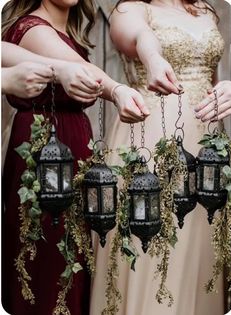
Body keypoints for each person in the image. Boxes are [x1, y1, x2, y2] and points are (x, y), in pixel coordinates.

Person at [1, 1, 150, 315]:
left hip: (74, 150)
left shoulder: (66, 31)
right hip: (43, 154)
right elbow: (82, 70)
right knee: (46, 259)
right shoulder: (32, 28)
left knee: (76, 260)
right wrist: (119, 89)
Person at [90, 1, 230, 315]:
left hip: (208, 143)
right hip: (153, 138)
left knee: (202, 244)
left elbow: (214, 74)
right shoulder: (131, 10)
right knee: (155, 247)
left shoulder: (206, 11)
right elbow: (140, 37)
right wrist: (154, 58)